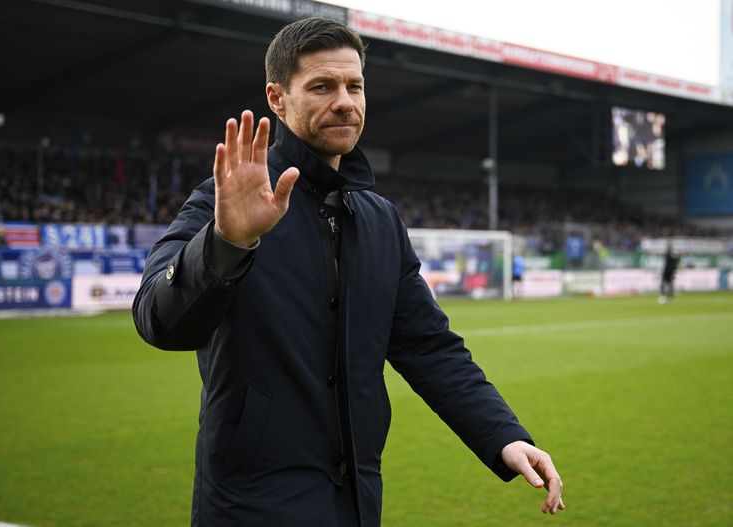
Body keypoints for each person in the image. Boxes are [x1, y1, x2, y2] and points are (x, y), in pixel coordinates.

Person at [133, 16, 564, 526]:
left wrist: (504, 435)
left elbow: (428, 345)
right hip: (251, 505)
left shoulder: (380, 220)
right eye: (322, 86)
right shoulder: (225, 203)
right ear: (277, 98)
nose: (345, 100)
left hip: (356, 501)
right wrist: (229, 243)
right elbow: (156, 320)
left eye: (354, 85)